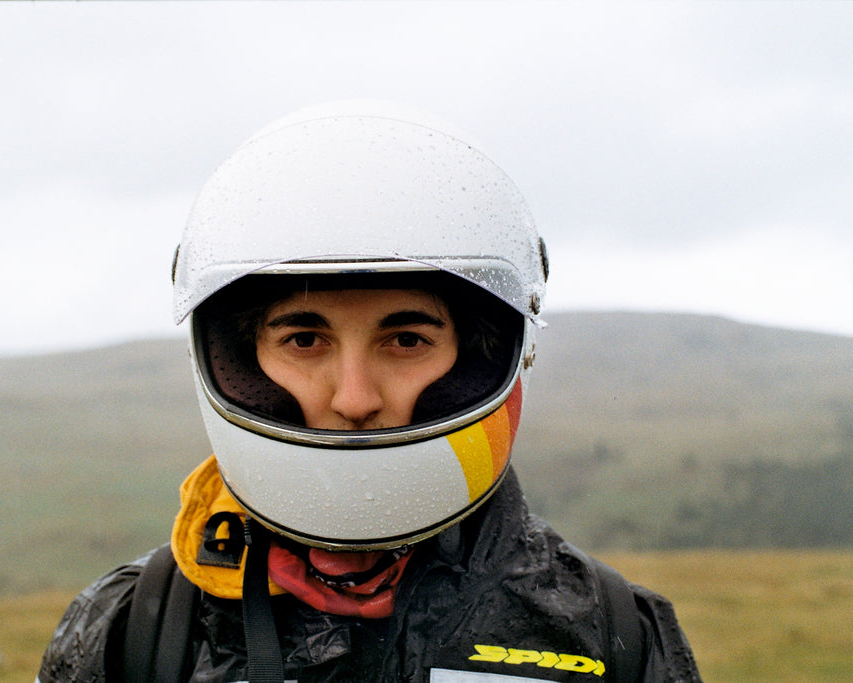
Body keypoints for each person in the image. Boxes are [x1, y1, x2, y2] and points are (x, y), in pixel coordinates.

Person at [38, 102, 702, 682]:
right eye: (305, 339)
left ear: (482, 358)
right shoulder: (138, 631)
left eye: (405, 339)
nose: (354, 398)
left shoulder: (612, 634)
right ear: (239, 360)